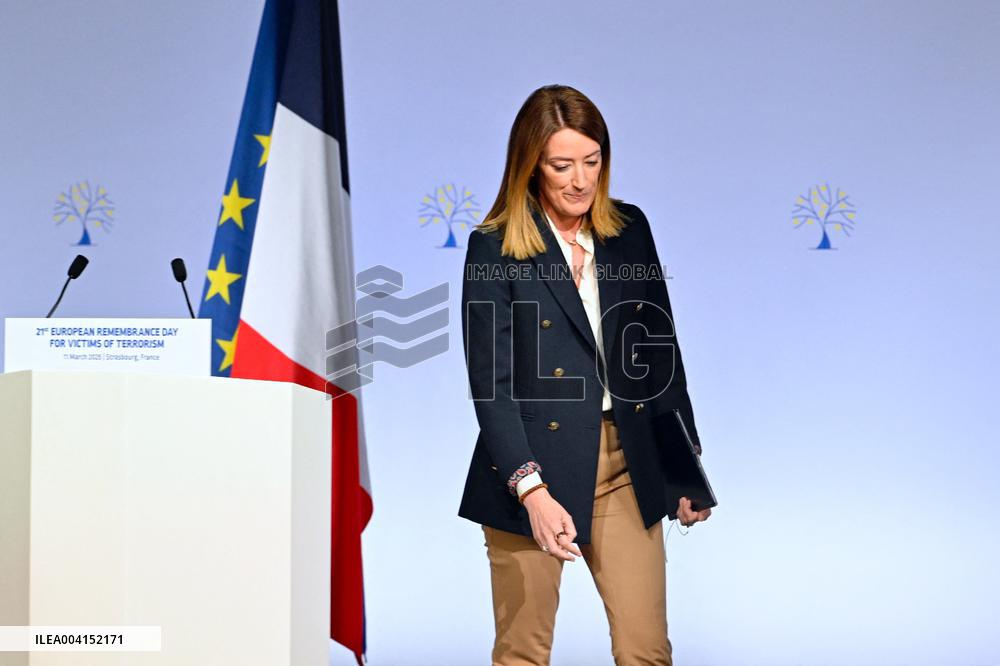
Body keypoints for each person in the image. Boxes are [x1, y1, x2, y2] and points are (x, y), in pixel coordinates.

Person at [459, 84, 712, 666]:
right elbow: (490, 385)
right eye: (561, 165)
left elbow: (658, 350)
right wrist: (531, 490)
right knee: (523, 653)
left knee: (646, 651)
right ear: (531, 166)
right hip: (529, 466)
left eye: (592, 162)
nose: (579, 179)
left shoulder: (630, 230)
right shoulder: (492, 248)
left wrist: (684, 464)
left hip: (627, 462)